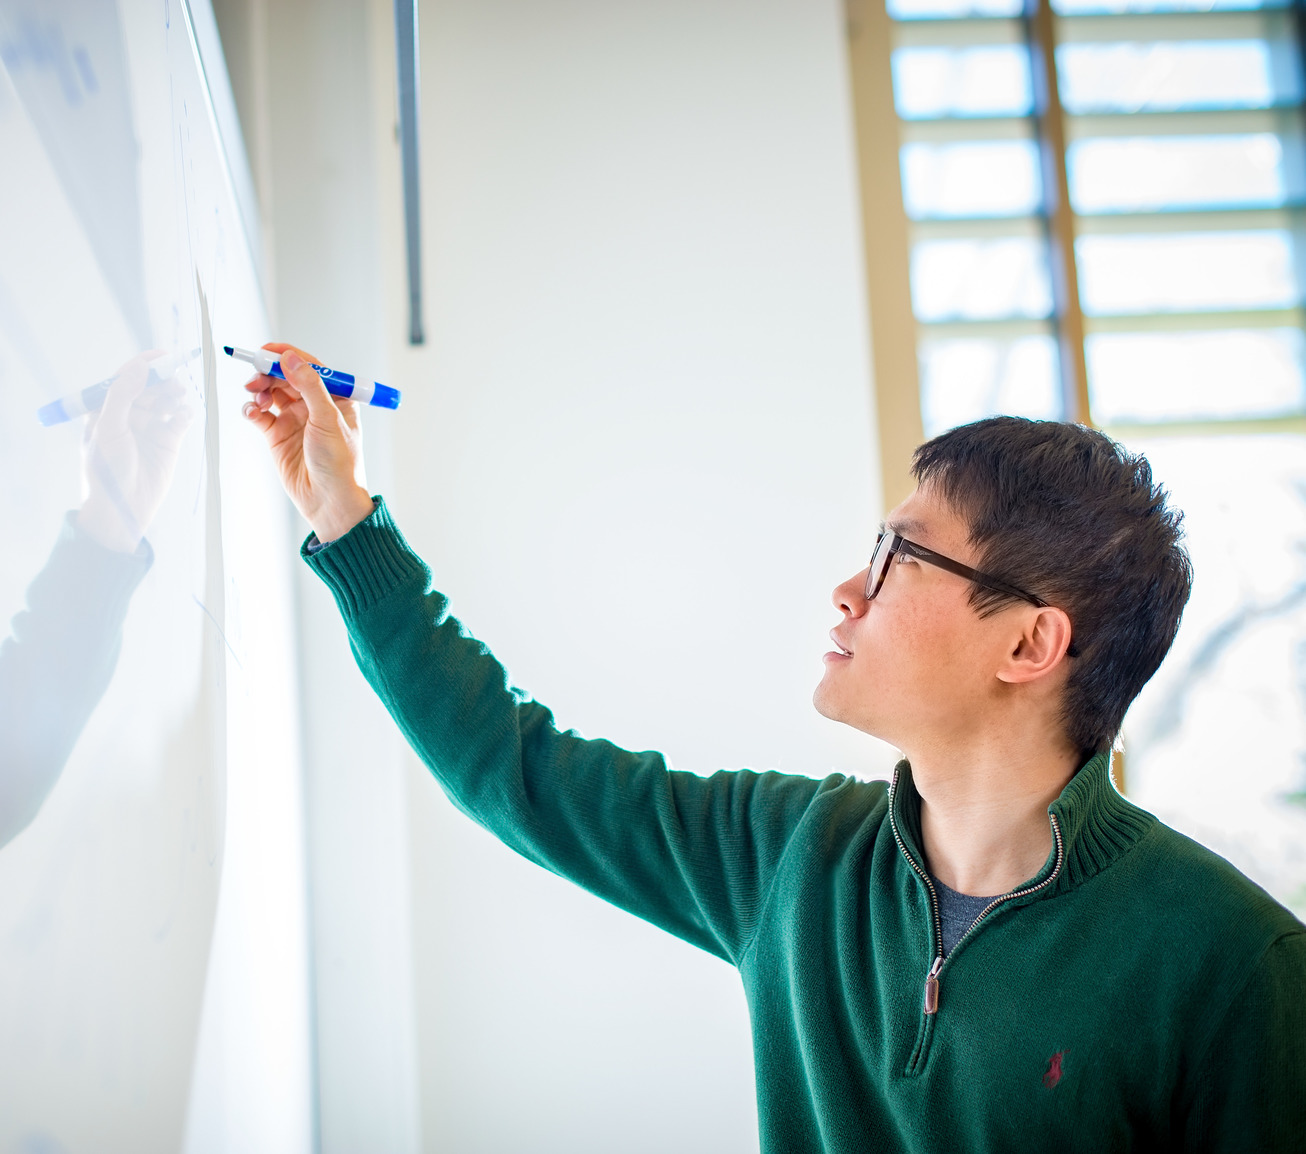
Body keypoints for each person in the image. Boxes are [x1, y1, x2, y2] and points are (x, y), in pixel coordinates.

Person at [243, 343, 1305, 1152]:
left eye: (898, 555)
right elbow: (511, 762)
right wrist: (344, 511)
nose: (848, 588)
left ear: (1029, 641)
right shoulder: (790, 854)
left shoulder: (1228, 963)